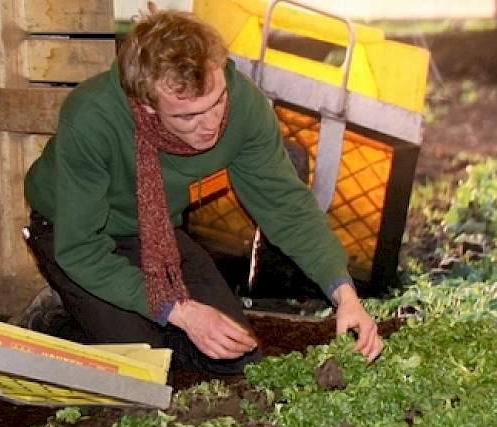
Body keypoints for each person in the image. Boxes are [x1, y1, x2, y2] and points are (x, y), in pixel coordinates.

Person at [22, 8, 383, 376]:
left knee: (235, 355)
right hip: (73, 232)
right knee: (142, 363)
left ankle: (123, 321)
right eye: (188, 116)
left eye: (217, 102)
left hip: (154, 232)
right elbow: (80, 247)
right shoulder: (92, 117)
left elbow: (285, 206)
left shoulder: (243, 105)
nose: (211, 125)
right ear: (147, 105)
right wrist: (183, 312)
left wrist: (344, 293)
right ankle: (57, 323)